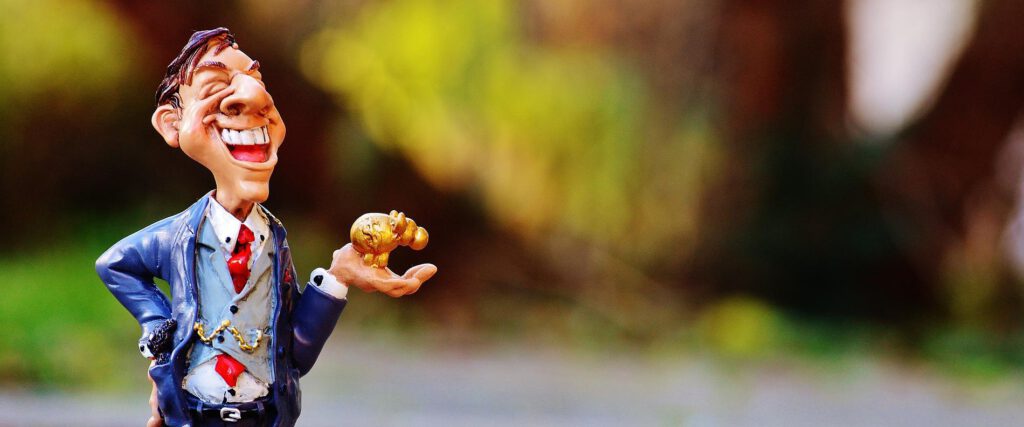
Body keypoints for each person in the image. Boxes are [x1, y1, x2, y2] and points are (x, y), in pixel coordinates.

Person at [95, 28, 436, 427]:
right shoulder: (175, 238)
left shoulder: (274, 243)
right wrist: (160, 335)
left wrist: (339, 277)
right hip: (193, 415)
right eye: (215, 85)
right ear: (173, 123)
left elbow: (296, 353)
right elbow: (114, 265)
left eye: (257, 82)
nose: (254, 98)